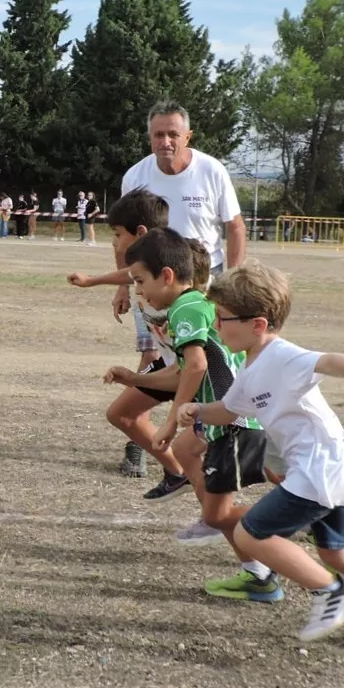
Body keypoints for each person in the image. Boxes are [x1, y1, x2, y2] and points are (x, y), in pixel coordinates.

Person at [181, 260, 344, 649]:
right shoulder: (250, 368)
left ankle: (332, 592)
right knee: (338, 552)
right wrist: (197, 411)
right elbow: (229, 410)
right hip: (331, 467)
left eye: (223, 318)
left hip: (320, 469)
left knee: (250, 535)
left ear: (258, 325)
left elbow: (327, 361)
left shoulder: (283, 357)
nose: (216, 325)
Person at [117, 227, 283, 602]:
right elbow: (182, 370)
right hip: (225, 418)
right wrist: (132, 376)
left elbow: (194, 367)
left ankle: (307, 529)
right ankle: (259, 563)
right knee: (190, 454)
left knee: (220, 513)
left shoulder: (186, 308)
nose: (139, 291)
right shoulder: (194, 305)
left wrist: (172, 419)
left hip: (233, 422)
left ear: (168, 276)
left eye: (141, 281)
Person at [111, 100, 247, 476]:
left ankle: (225, 436)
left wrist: (234, 281)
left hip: (206, 285)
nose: (166, 141)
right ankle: (140, 441)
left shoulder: (211, 170)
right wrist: (124, 286)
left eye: (173, 134)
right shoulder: (135, 176)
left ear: (188, 135)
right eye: (158, 134)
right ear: (149, 136)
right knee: (154, 356)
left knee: (212, 360)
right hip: (153, 285)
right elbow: (124, 240)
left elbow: (234, 227)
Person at [68, 189, 182, 490]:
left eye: (118, 234)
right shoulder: (148, 272)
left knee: (238, 451)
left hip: (200, 378)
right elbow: (129, 274)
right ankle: (177, 474)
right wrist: (91, 281)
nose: (115, 243)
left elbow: (198, 357)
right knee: (122, 414)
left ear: (141, 233)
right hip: (173, 370)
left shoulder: (176, 287)